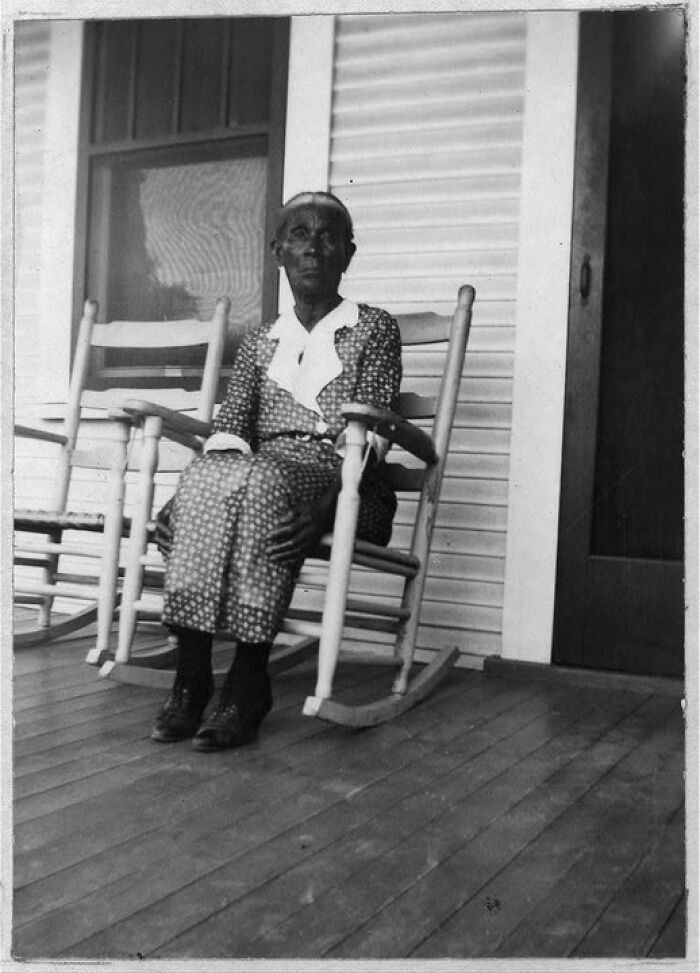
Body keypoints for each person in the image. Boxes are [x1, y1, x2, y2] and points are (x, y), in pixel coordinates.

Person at [151, 190, 402, 751]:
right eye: (299, 235)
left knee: (255, 480)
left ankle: (246, 680)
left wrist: (325, 510)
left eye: (328, 236)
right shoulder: (261, 341)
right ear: (277, 252)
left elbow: (375, 433)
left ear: (348, 254)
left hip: (345, 484)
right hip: (259, 476)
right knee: (213, 475)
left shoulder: (374, 329)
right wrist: (181, 498)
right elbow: (231, 428)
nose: (313, 248)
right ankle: (192, 677)